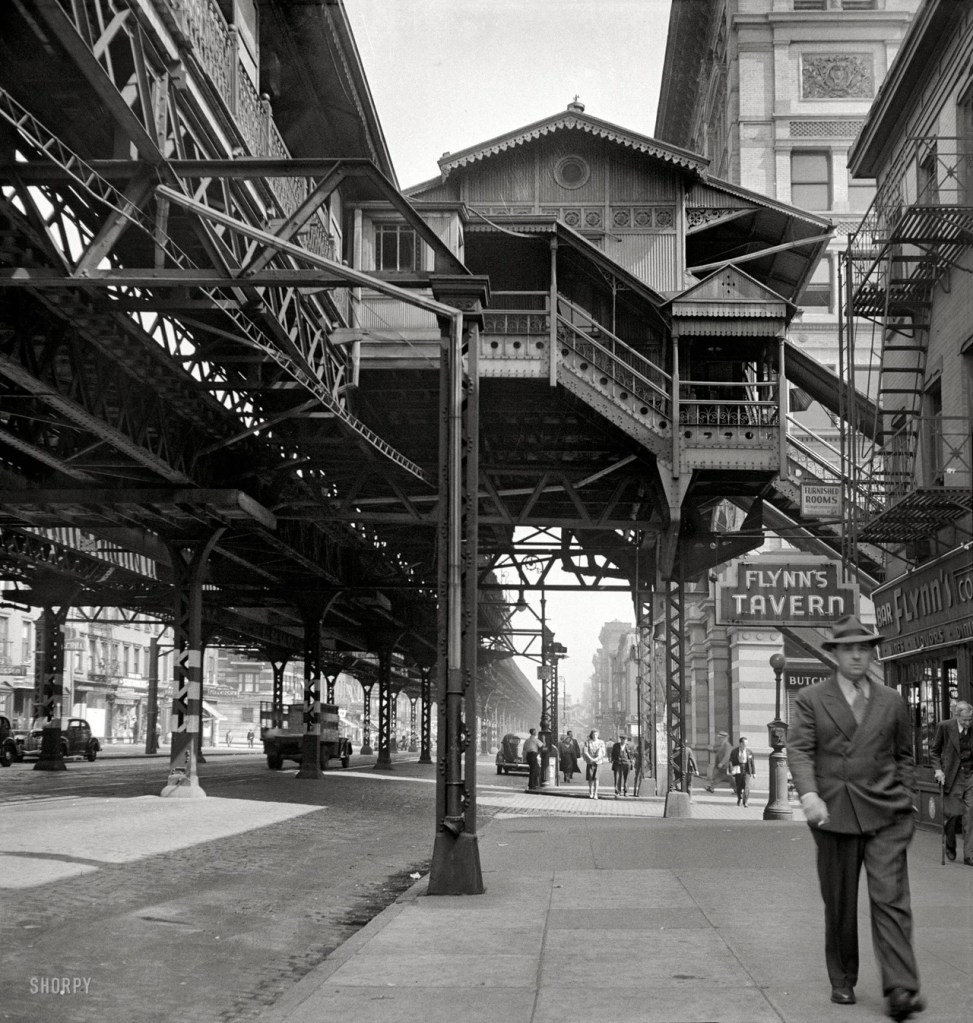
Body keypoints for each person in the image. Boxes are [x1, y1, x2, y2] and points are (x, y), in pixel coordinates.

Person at [787, 614, 924, 1021]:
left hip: (887, 814)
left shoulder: (891, 701)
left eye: (864, 649)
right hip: (834, 815)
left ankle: (900, 987)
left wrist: (907, 798)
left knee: (891, 900)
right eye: (849, 649)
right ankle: (843, 978)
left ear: (871, 653)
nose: (857, 656)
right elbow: (799, 751)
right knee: (840, 903)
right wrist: (809, 795)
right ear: (835, 654)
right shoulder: (811, 698)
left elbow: (904, 755)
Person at [930, 700, 973, 864]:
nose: (968, 723)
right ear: (957, 716)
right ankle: (950, 841)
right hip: (953, 776)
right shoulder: (945, 727)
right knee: (954, 814)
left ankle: (969, 855)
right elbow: (934, 751)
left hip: (970, 774)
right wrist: (938, 770)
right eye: (965, 720)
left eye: (970, 719)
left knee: (970, 813)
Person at [729, 736, 756, 807]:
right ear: (740, 743)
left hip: (747, 769)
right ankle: (739, 798)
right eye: (744, 743)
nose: (746, 745)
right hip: (738, 769)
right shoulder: (734, 751)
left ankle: (745, 801)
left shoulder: (749, 752)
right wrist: (731, 770)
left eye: (747, 743)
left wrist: (754, 772)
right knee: (739, 786)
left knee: (747, 786)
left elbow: (752, 763)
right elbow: (731, 761)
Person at [581, 728, 607, 799]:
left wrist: (596, 759)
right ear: (591, 735)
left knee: (596, 778)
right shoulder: (587, 742)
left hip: (598, 762)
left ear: (598, 735)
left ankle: (596, 793)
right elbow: (585, 751)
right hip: (590, 762)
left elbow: (603, 753)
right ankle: (591, 791)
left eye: (596, 734)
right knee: (590, 778)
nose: (595, 736)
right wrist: (591, 758)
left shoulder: (601, 742)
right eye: (594, 734)